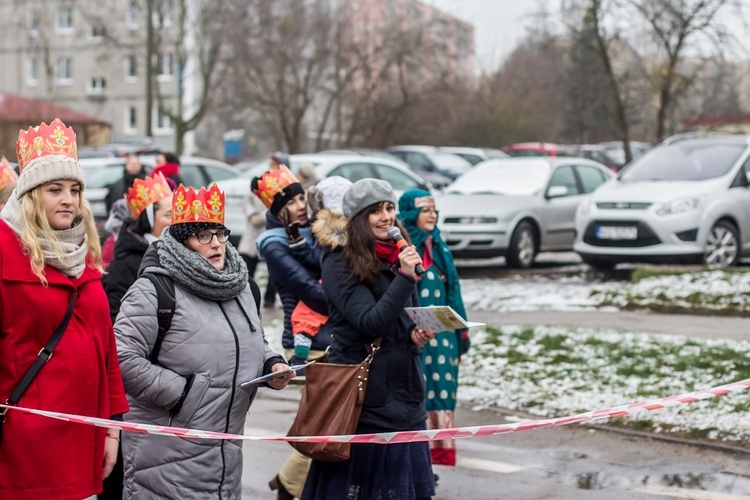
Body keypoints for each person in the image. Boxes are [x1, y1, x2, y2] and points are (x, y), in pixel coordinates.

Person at [114, 183, 293, 498]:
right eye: (204, 236)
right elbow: (120, 357)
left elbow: (252, 339)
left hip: (226, 453)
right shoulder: (153, 289)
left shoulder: (241, 287)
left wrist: (270, 363)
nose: (217, 244)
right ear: (183, 242)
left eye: (220, 234)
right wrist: (183, 395)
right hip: (165, 455)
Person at [0, 118, 129, 499]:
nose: (68, 199)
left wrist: (111, 428)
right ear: (30, 194)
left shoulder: (84, 254)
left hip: (85, 434)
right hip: (24, 443)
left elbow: (106, 351)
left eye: (75, 189)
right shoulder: (4, 252)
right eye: (54, 189)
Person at [302, 178, 436, 500]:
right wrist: (404, 277)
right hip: (364, 401)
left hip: (406, 392)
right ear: (358, 219)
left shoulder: (398, 252)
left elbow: (403, 316)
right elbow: (369, 322)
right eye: (375, 210)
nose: (386, 217)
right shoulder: (339, 260)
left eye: (389, 208)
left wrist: (415, 334)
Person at [252, 165, 331, 499]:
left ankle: (296, 484)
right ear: (276, 208)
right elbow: (310, 291)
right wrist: (349, 300)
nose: (301, 205)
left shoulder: (312, 231)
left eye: (302, 197)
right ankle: (289, 485)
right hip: (306, 340)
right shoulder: (273, 243)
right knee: (324, 424)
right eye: (292, 201)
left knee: (327, 424)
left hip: (331, 336)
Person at [398, 189, 471, 469]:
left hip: (445, 336)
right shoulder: (403, 248)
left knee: (443, 389)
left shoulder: (439, 245)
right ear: (411, 214)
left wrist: (461, 333)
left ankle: (436, 455)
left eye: (433, 210)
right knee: (420, 389)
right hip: (415, 333)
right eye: (425, 210)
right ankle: (418, 456)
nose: (431, 215)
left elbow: (454, 290)